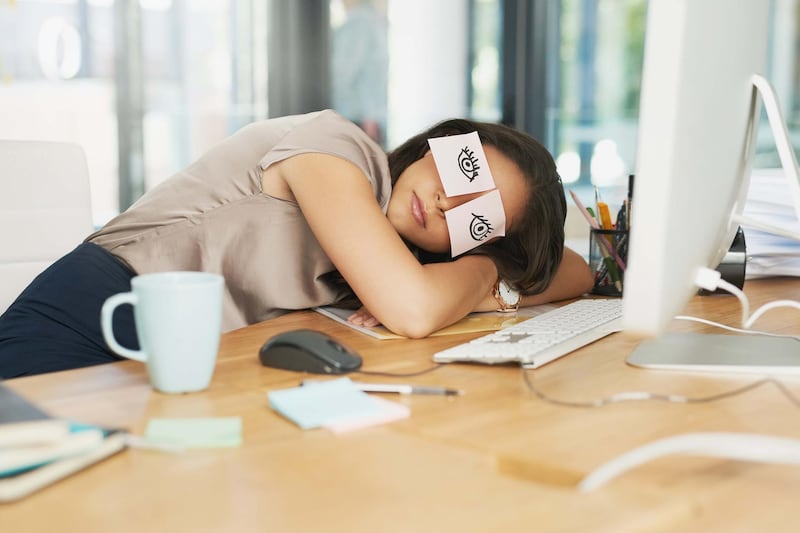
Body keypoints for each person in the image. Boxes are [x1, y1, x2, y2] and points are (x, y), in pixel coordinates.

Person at [0, 109, 592, 378]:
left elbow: (574, 272)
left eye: (479, 217)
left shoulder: (400, 250)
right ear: (441, 142)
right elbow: (412, 309)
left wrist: (492, 269)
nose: (448, 202)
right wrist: (492, 280)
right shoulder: (333, 148)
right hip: (94, 314)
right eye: (464, 171)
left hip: (187, 361)